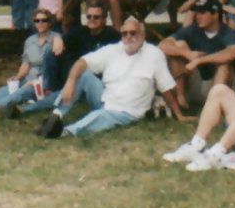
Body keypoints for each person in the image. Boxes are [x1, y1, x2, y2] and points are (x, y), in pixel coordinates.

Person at [38, 16, 179, 139]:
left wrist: (178, 114)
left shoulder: (154, 55)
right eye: (124, 33)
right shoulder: (114, 49)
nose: (128, 37)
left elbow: (165, 86)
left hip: (127, 111)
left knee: (99, 116)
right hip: (105, 98)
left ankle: (64, 132)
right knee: (82, 73)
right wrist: (70, 82)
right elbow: (82, 62)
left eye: (133, 33)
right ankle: (56, 116)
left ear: (142, 34)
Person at [159, 0, 235, 109]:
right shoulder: (193, 29)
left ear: (215, 14)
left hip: (220, 85)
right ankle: (181, 98)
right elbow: (162, 45)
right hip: (197, 82)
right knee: (179, 45)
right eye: (197, 13)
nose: (197, 16)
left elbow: (233, 53)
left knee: (224, 65)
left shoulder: (227, 32)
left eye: (202, 13)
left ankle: (215, 106)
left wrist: (199, 60)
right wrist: (186, 53)